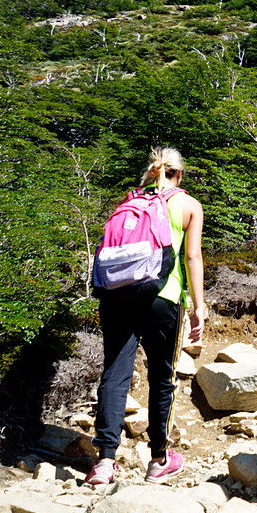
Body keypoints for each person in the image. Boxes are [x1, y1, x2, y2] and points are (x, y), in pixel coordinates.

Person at [85, 146, 207, 486]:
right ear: (179, 174)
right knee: (162, 377)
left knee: (115, 374)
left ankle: (105, 462)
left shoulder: (128, 203)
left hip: (117, 297)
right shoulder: (188, 205)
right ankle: (159, 460)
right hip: (162, 299)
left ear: (152, 172)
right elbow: (192, 258)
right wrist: (199, 306)